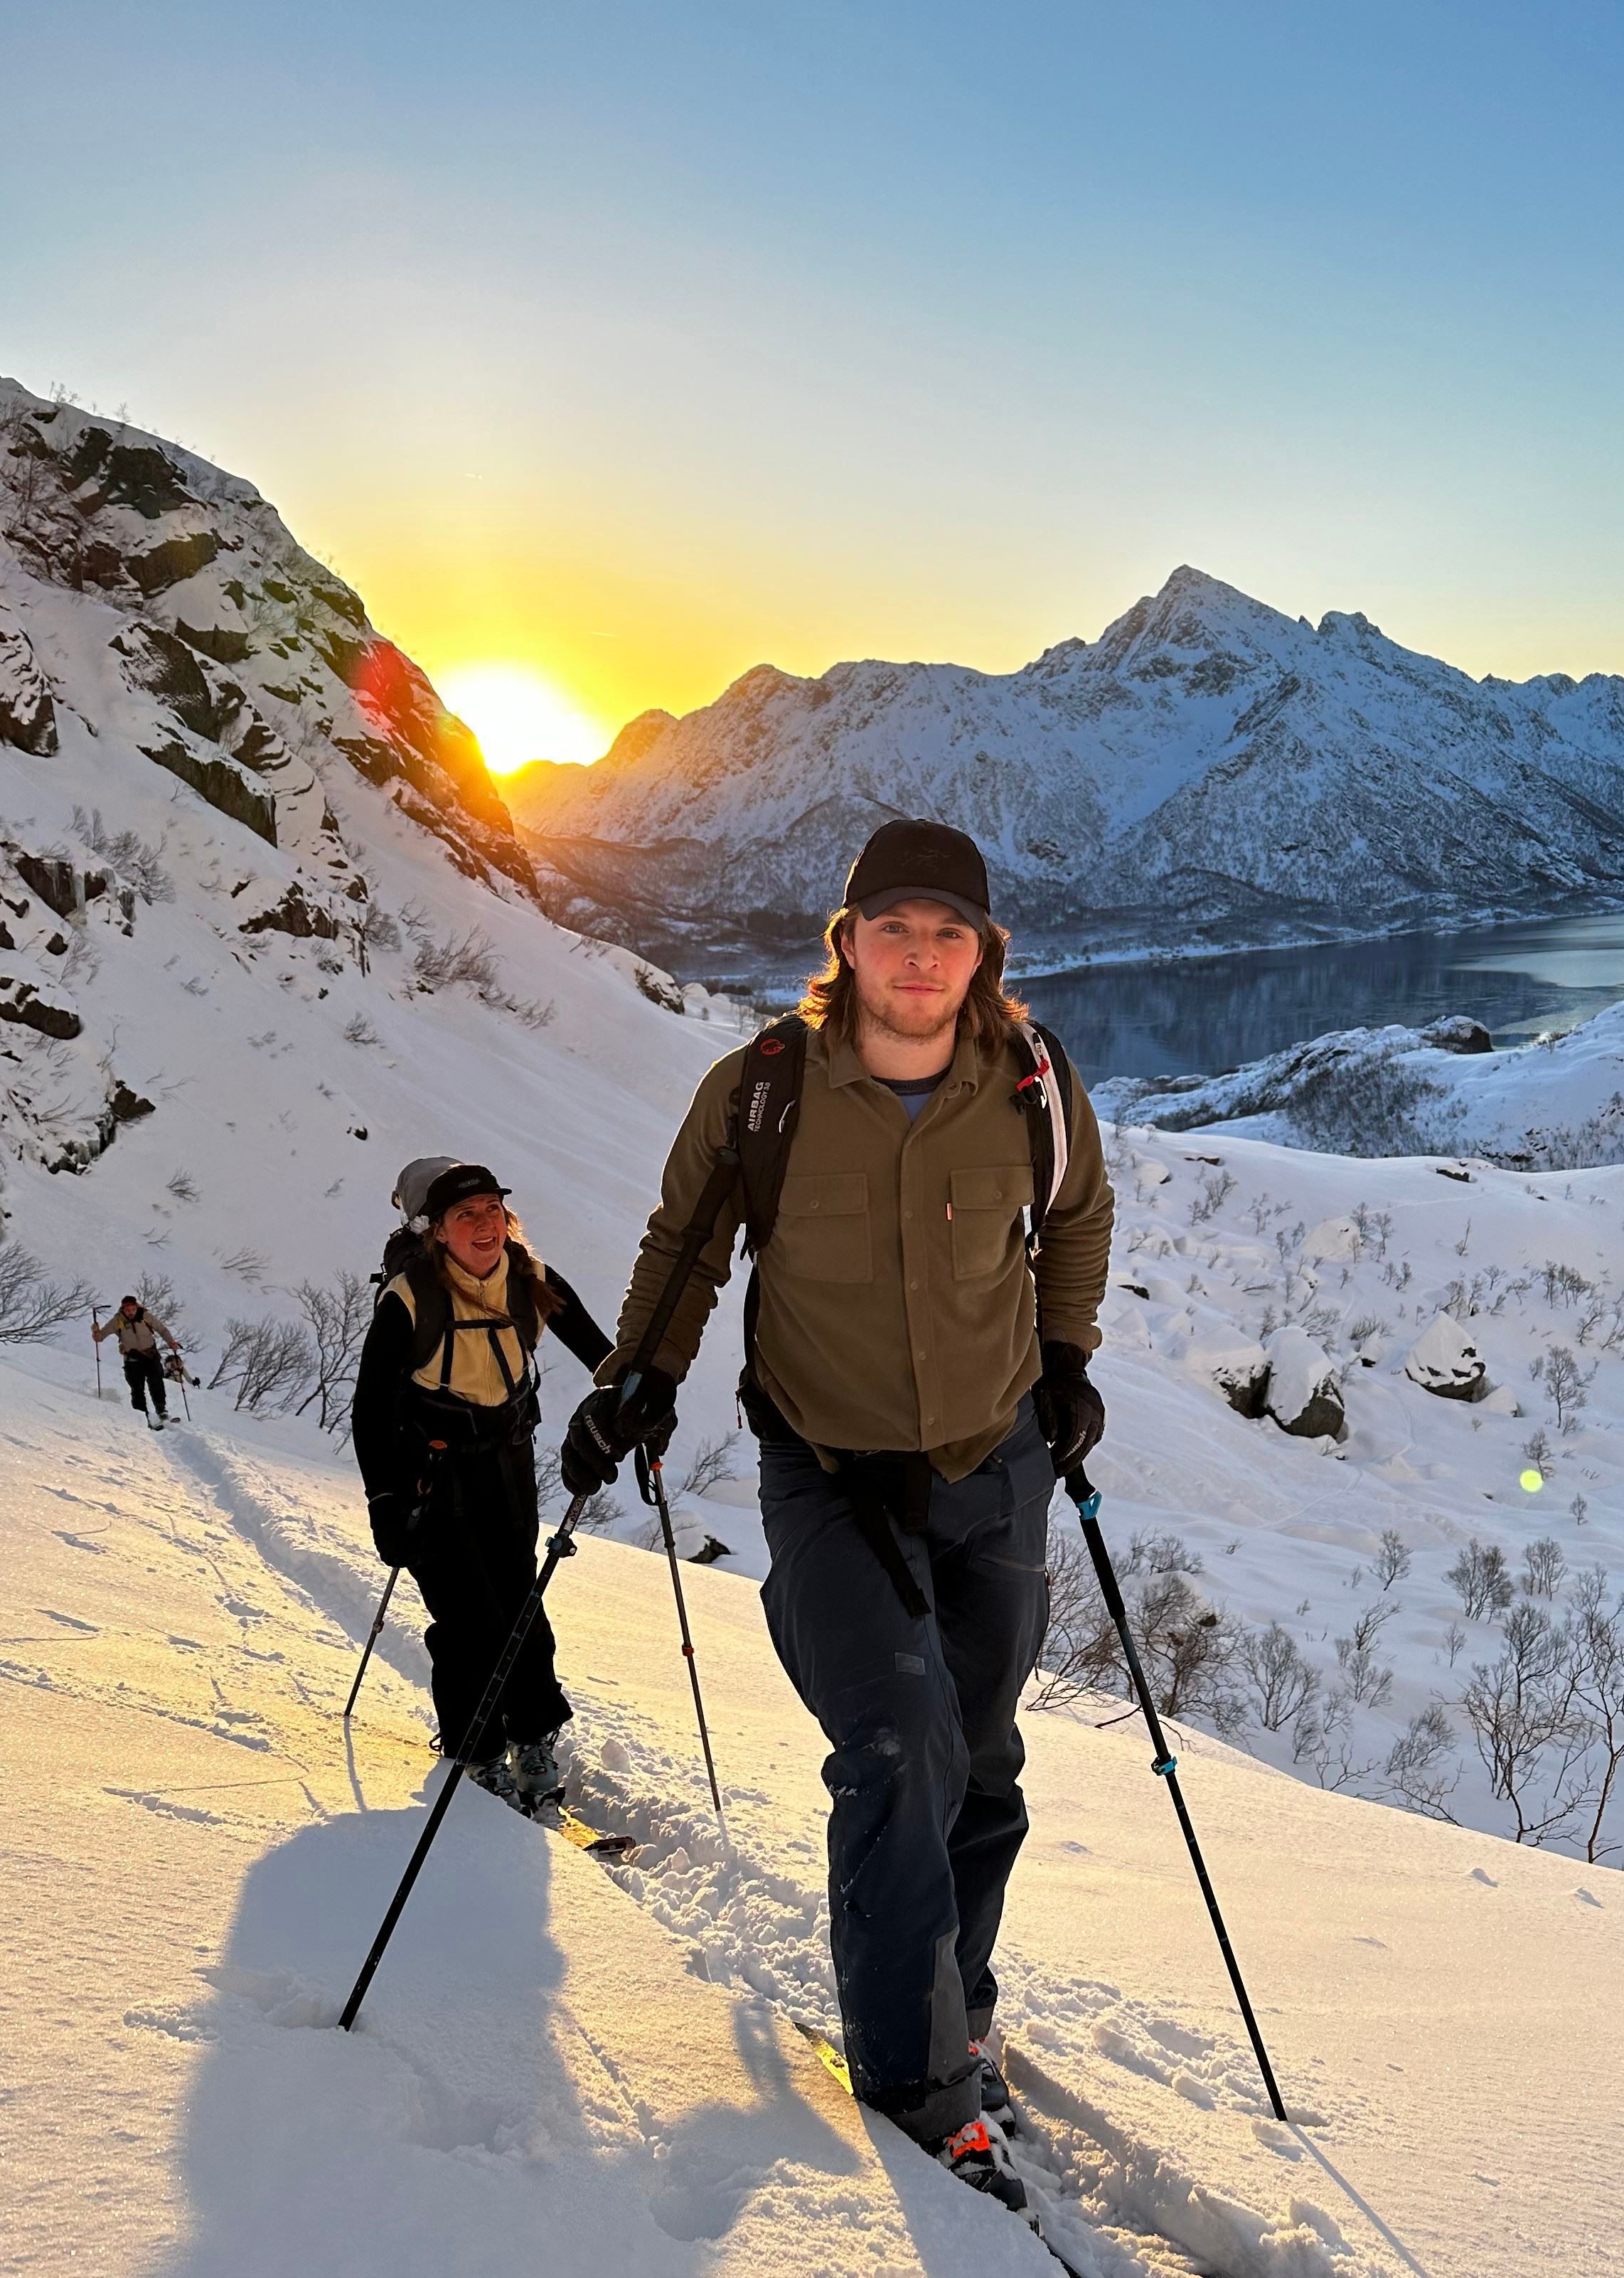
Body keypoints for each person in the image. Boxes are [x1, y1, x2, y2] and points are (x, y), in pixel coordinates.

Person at [562, 819, 1113, 2208]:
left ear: (986, 955)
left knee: (981, 1763)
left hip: (994, 1462)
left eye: (949, 934)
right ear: (846, 944)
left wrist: (1066, 1360)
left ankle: (959, 2004)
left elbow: (1077, 1221)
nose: (919, 957)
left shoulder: (1034, 1084)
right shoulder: (763, 1090)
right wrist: (641, 1373)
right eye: (892, 929)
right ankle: (919, 2093)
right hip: (829, 1468)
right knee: (895, 1737)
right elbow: (686, 1241)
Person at [351, 1161, 614, 1813]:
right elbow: (370, 1409)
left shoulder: (531, 1281)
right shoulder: (409, 1299)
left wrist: (636, 1399)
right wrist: (384, 1502)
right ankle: (477, 1748)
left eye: (492, 1209)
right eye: (465, 1215)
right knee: (469, 1613)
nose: (484, 1223)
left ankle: (531, 1735)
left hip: (506, 1460)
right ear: (437, 1232)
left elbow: (601, 1355)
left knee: (517, 1595)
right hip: (430, 1472)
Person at [95, 1294, 174, 1427]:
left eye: (133, 1309)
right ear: (123, 1309)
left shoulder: (146, 1316)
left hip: (151, 1356)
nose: (131, 1312)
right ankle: (143, 1417)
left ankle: (162, 1411)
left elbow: (162, 1329)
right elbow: (100, 1337)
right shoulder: (117, 1321)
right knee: (137, 1390)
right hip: (132, 1360)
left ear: (136, 1307)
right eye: (128, 1310)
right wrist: (96, 1332)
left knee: (157, 1383)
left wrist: (171, 1342)